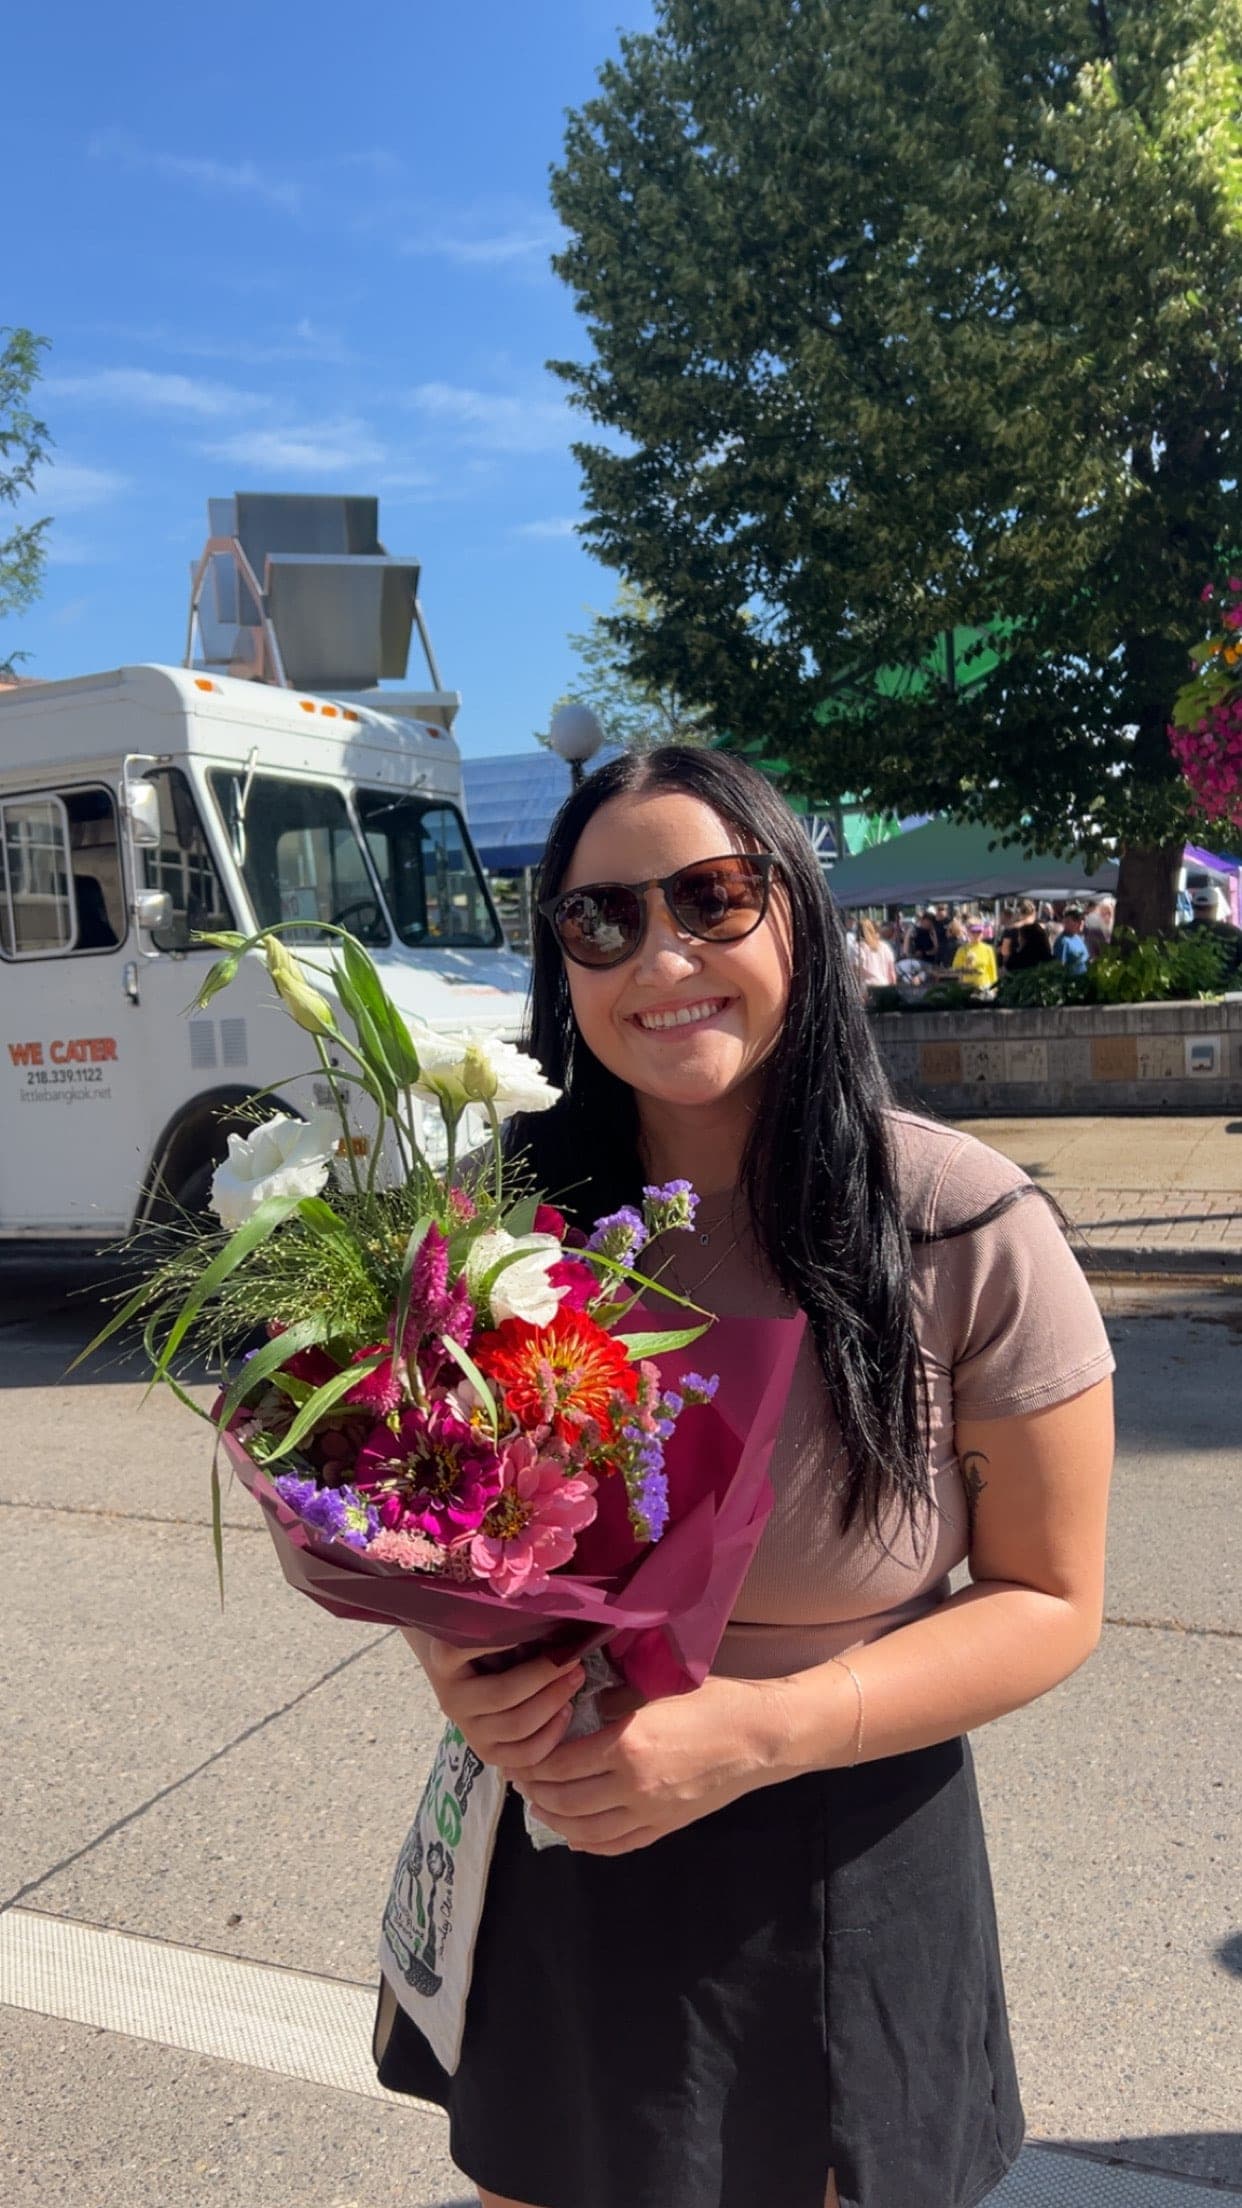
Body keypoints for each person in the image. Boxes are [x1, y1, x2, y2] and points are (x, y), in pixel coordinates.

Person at [376, 746, 1115, 2208]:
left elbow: (1049, 1598)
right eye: (601, 920)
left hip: (846, 1850)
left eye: (714, 898)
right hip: (564, 1833)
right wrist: (456, 1658)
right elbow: (410, 1508)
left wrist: (763, 1730)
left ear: (799, 916)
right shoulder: (496, 1226)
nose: (663, 958)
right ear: (560, 965)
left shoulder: (958, 1223)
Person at [846, 914, 898, 993]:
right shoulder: (884, 947)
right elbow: (892, 972)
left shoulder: (857, 948)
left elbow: (854, 973)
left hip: (866, 990)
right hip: (884, 987)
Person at [996, 898, 1052, 972]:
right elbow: (1048, 946)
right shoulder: (1042, 926)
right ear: (1034, 912)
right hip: (1040, 965)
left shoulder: (1011, 928)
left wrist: (1005, 966)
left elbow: (1005, 951)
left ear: (1020, 912)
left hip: (1017, 965)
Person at [951, 915, 999, 990]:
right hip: (968, 986)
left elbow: (993, 971)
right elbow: (955, 968)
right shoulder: (962, 949)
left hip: (985, 986)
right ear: (968, 932)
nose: (976, 934)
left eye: (979, 931)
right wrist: (967, 965)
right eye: (973, 932)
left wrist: (995, 988)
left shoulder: (988, 949)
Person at [1053, 905, 1091, 976]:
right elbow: (1059, 970)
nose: (1081, 922)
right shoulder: (1063, 942)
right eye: (1076, 919)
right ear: (1066, 921)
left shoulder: (1078, 938)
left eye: (1082, 919)